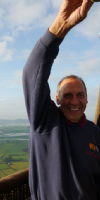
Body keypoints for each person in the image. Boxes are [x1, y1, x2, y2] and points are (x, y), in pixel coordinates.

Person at [22, 0, 100, 199]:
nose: (75, 101)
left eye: (80, 95)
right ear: (57, 99)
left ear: (87, 99)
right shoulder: (45, 121)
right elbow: (32, 74)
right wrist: (60, 26)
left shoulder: (93, 131)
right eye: (67, 95)